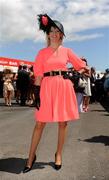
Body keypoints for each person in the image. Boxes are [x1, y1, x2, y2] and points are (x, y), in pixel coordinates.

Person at [23, 14, 89, 173]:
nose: (53, 33)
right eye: (51, 30)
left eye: (57, 30)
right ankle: (30, 157)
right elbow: (38, 75)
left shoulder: (67, 51)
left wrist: (75, 74)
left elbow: (83, 66)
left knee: (63, 123)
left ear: (61, 34)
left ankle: (58, 154)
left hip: (63, 87)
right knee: (39, 123)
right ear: (47, 33)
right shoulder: (41, 53)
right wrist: (37, 94)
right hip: (46, 87)